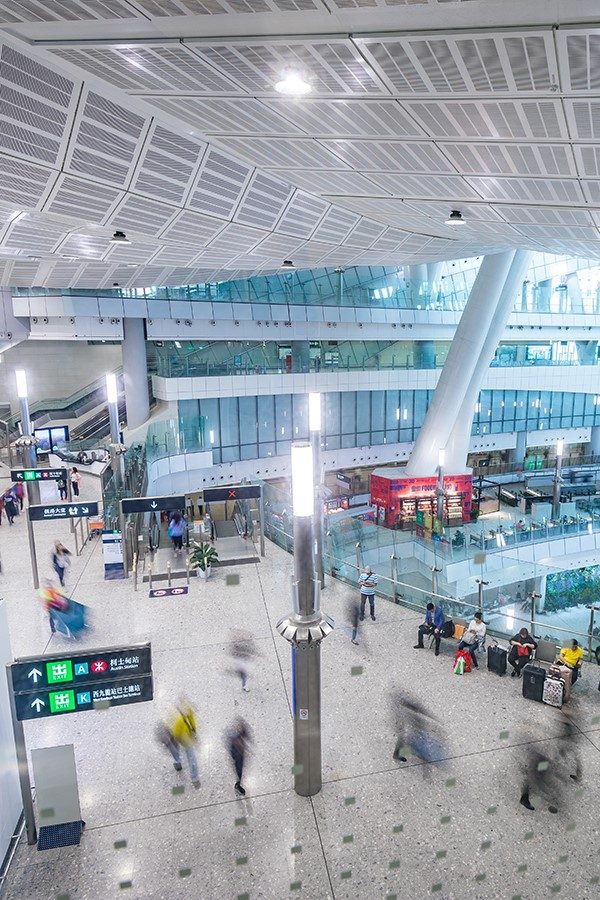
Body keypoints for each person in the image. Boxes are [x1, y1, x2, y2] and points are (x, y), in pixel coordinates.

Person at [166, 701, 200, 786]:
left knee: (182, 754)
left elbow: (192, 725)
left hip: (184, 738)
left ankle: (179, 763)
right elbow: (176, 734)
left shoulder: (189, 715)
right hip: (182, 738)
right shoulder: (180, 720)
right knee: (191, 758)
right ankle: (194, 777)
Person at [225, 717, 252, 796]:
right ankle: (238, 785)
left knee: (241, 768)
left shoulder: (240, 731)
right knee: (239, 769)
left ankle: (239, 783)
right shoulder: (233, 735)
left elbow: (247, 736)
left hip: (239, 752)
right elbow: (237, 744)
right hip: (236, 753)